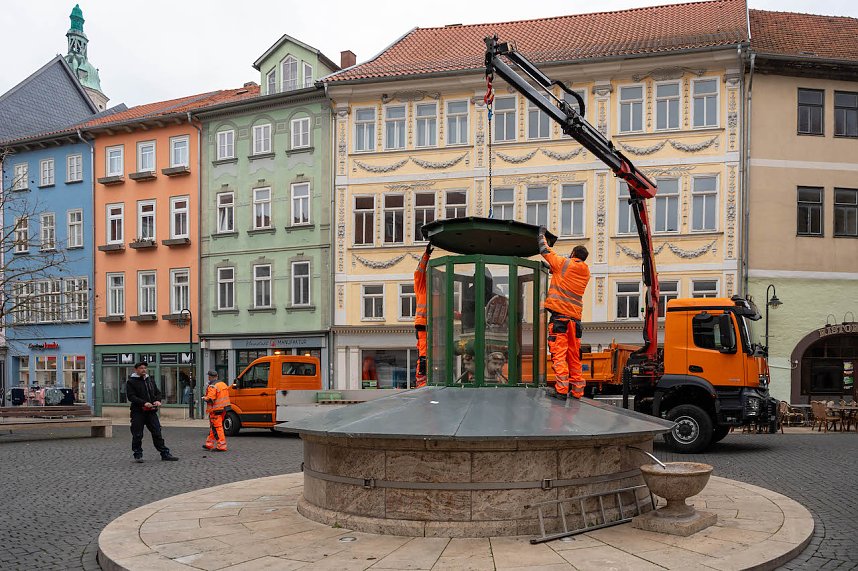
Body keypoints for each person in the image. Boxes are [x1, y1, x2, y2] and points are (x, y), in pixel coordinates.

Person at [538, 227, 591, 400]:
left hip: (560, 319)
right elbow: (565, 275)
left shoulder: (563, 263)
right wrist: (552, 268)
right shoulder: (585, 271)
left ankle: (561, 390)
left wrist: (540, 235)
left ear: (574, 253)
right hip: (575, 322)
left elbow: (544, 250)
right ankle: (577, 391)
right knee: (574, 357)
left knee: (559, 355)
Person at [126, 362, 179, 462]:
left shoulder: (150, 380)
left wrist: (157, 400)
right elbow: (131, 396)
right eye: (141, 368)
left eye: (145, 368)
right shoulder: (131, 382)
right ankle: (138, 454)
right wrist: (144, 403)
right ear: (136, 369)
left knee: (157, 432)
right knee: (137, 434)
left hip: (151, 412)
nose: (143, 370)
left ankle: (165, 453)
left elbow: (157, 392)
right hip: (138, 412)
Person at [414, 243, 432, 388]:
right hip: (423, 325)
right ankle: (422, 381)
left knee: (427, 354)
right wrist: (426, 255)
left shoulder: (434, 291)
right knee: (424, 354)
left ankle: (424, 379)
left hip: (430, 326)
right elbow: (419, 271)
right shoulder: (422, 286)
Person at [202, 371, 230, 452]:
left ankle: (221, 446)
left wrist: (204, 398)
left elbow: (210, 399)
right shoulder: (223, 384)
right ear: (217, 376)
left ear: (210, 377)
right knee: (214, 427)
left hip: (215, 409)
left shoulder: (213, 386)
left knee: (217, 428)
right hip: (224, 408)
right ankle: (209, 444)